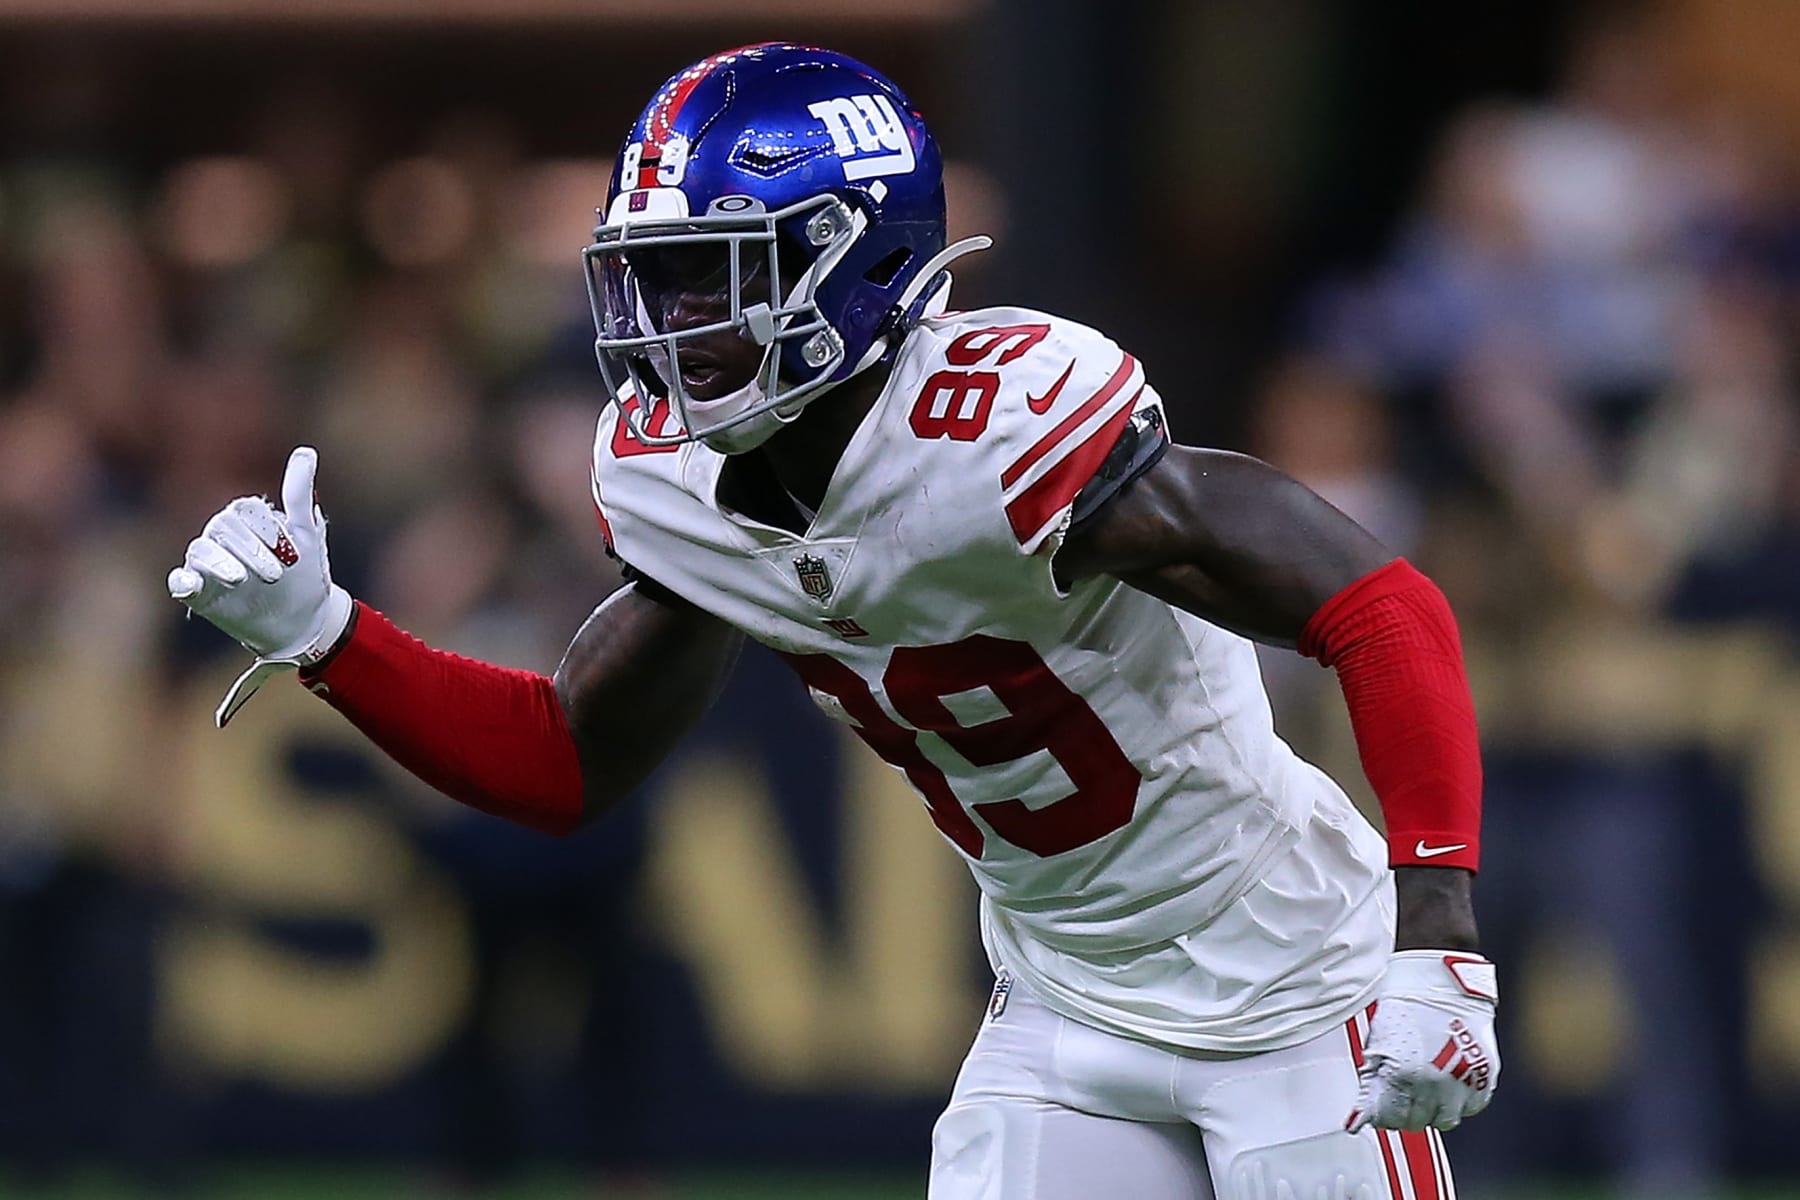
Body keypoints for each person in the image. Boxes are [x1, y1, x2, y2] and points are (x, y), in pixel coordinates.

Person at [168, 43, 1497, 1199]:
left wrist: (1434, 929)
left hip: (1295, 991)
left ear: (848, 265)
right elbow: (566, 759)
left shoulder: (1001, 430)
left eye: (706, 276)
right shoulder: (677, 484)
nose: (667, 327)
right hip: (1065, 1002)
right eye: (655, 279)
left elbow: (1383, 607)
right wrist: (327, 634)